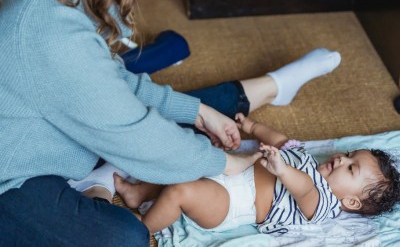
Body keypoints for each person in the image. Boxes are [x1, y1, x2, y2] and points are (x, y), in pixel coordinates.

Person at [0, 0, 342, 245]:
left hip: (55, 131)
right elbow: (138, 134)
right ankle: (98, 180)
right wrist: (225, 163)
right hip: (14, 179)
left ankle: (274, 85)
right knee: (124, 237)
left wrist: (198, 112)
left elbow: (115, 82)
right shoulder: (57, 36)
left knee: (185, 116)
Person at [113, 113, 400, 235]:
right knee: (182, 162)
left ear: (351, 202)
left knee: (181, 191)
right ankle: (139, 193)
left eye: (350, 168)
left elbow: (304, 190)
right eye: (348, 156)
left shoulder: (324, 204)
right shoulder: (308, 159)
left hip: (232, 203)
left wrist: (283, 169)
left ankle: (145, 227)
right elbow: (281, 141)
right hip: (228, 169)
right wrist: (251, 126)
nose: (341, 159)